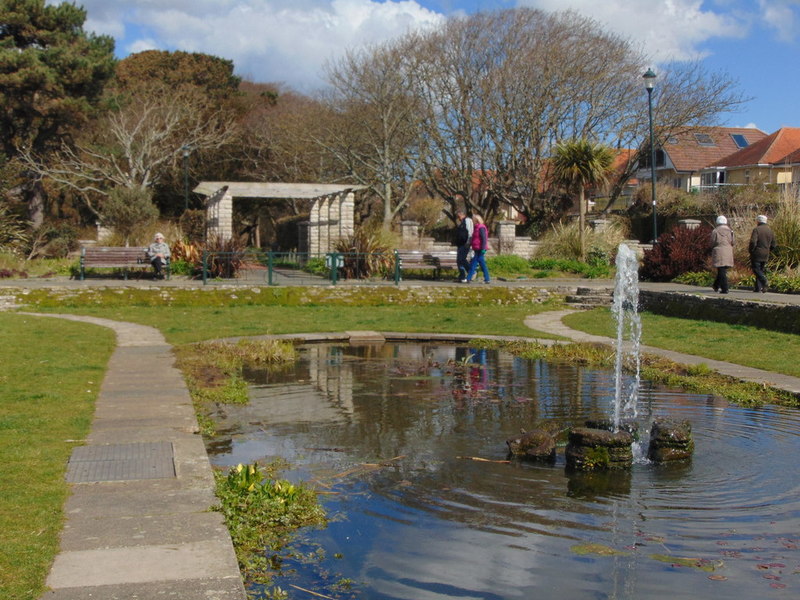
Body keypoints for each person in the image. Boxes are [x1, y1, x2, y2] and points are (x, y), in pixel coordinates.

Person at [749, 214, 776, 293]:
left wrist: (751, 250)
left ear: (758, 221)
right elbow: (774, 244)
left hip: (757, 252)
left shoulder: (756, 230)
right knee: (761, 269)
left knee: (756, 269)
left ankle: (764, 281)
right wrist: (769, 250)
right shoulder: (770, 230)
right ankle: (758, 288)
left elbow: (753, 241)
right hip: (766, 253)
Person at [710, 215, 734, 294]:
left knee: (721, 270)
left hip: (719, 252)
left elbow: (712, 242)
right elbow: (733, 242)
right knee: (722, 270)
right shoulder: (730, 231)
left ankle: (725, 288)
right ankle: (716, 285)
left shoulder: (715, 231)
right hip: (728, 251)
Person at [465, 215, 490, 284]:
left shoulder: (481, 227)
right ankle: (469, 278)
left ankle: (469, 278)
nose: (472, 221)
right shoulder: (476, 227)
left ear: (476, 220)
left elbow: (484, 238)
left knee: (476, 263)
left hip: (480, 249)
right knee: (477, 263)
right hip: (476, 248)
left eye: (473, 220)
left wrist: (483, 248)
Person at [455, 208, 473, 282]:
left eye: (458, 216)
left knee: (462, 259)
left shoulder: (467, 220)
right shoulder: (462, 222)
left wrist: (468, 242)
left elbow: (470, 232)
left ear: (461, 214)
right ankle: (462, 276)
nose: (458, 218)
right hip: (460, 244)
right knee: (459, 260)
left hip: (465, 244)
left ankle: (471, 272)